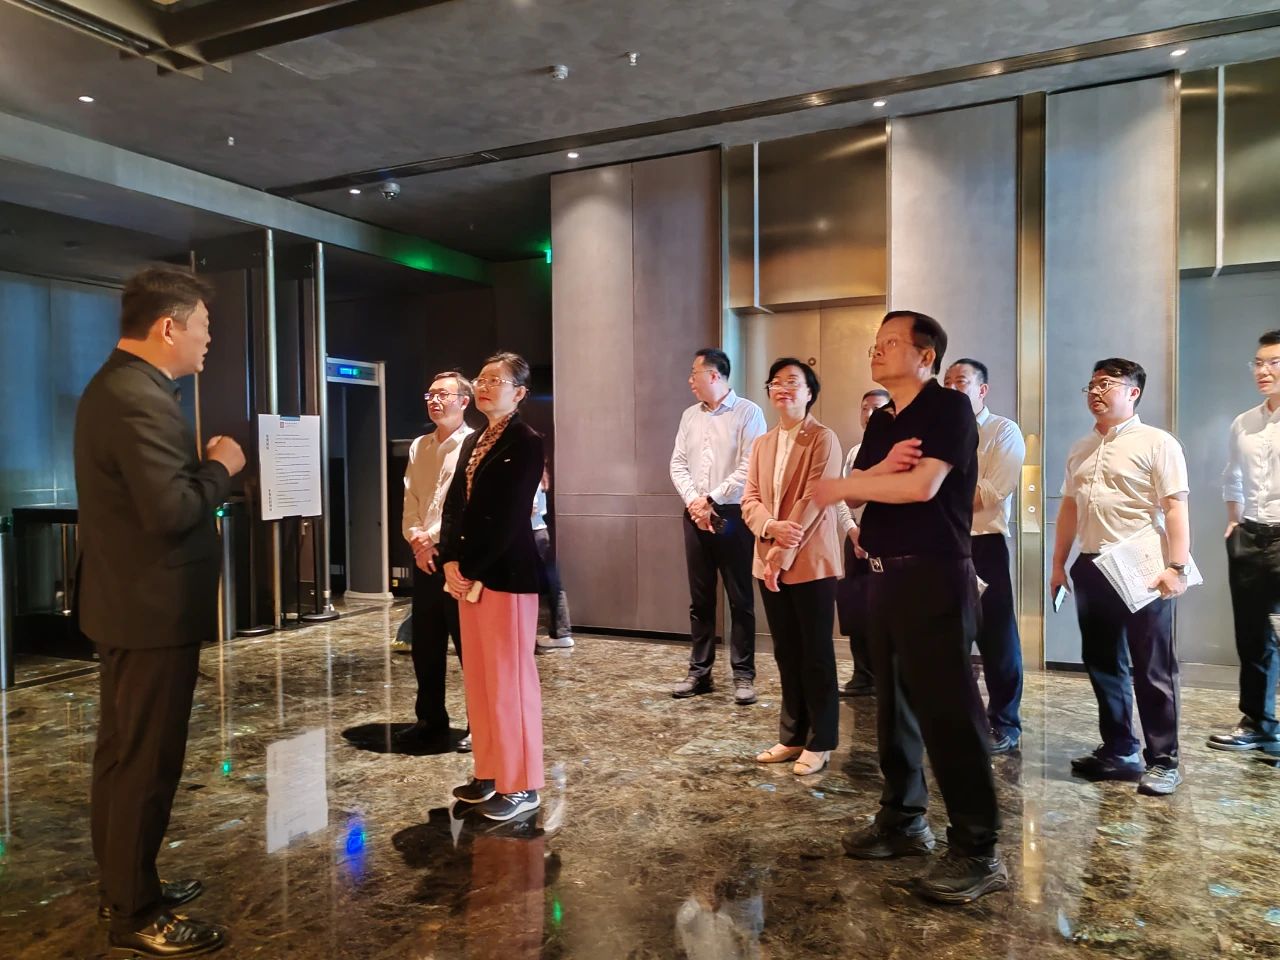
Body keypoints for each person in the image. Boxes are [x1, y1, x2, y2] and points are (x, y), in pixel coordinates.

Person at [75, 266, 245, 957]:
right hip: (150, 612)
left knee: (123, 756)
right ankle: (135, 913)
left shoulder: (120, 387)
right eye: (204, 327)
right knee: (145, 764)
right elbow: (170, 509)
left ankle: (125, 883)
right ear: (169, 326)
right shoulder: (136, 397)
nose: (208, 340)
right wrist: (221, 466)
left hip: (130, 607)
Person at [814, 310, 1006, 906]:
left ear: (926, 356)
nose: (877, 350)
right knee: (892, 708)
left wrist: (844, 486)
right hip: (883, 576)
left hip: (934, 576)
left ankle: (978, 849)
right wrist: (872, 477)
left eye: (891, 342)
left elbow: (918, 486)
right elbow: (871, 486)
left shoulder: (949, 407)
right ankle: (903, 820)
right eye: (876, 343)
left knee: (950, 714)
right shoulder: (883, 419)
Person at [1050, 358, 1191, 796]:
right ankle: (1119, 749)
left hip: (1142, 568)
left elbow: (1175, 506)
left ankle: (1163, 760)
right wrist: (1058, 564)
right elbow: (1069, 507)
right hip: (1092, 566)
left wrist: (1177, 566)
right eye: (1092, 384)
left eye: (1107, 384)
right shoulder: (1080, 447)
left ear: (1133, 392)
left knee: (1152, 667)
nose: (1096, 391)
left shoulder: (1158, 442)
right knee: (1103, 664)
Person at [440, 352, 547, 821]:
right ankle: (488, 772)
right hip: (471, 575)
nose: (484, 387)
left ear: (519, 393)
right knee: (481, 681)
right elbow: (454, 507)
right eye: (481, 379)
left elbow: (509, 517)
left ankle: (521, 784)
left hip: (506, 576)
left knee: (510, 683)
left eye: (495, 381)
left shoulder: (526, 442)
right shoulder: (474, 439)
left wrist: (470, 567)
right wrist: (450, 560)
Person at [743, 358, 843, 777]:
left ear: (809, 392)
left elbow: (816, 497)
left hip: (809, 560)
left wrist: (782, 551)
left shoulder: (823, 437)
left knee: (815, 652)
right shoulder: (762, 443)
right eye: (776, 382)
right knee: (786, 651)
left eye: (792, 382)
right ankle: (792, 735)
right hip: (767, 559)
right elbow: (749, 497)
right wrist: (770, 527)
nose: (782, 388)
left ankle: (822, 740)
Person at [669, 348, 768, 705]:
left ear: (714, 375)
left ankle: (743, 674)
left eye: (694, 373)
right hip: (695, 514)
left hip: (733, 515)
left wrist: (711, 498)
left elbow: (749, 466)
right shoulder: (689, 415)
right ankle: (700, 672)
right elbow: (678, 463)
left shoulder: (749, 412)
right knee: (700, 598)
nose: (690, 381)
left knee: (740, 598)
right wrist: (695, 502)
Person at [943, 359, 1027, 753]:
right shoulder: (938, 433)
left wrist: (935, 504)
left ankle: (1004, 722)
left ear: (982, 389)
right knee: (947, 636)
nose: (951, 388)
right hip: (942, 545)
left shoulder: (1002, 431)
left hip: (983, 545)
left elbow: (990, 493)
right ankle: (958, 719)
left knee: (996, 638)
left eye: (960, 381)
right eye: (946, 382)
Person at [397, 371, 476, 753]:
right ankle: (430, 718)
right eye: (430, 394)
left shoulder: (474, 444)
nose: (435, 400)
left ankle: (480, 723)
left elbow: (465, 505)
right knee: (425, 644)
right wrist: (417, 539)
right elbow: (411, 497)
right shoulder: (420, 446)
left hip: (457, 557)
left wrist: (432, 540)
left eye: (443, 394)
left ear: (464, 401)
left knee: (469, 647)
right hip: (424, 556)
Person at [1210, 330, 1280, 753]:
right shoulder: (1244, 422)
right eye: (1258, 362)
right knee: (1253, 636)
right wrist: (1234, 520)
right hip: (1251, 536)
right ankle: (1258, 722)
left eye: (1274, 362)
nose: (1262, 370)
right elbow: (1232, 475)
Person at [835, 389, 891, 697]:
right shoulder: (855, 452)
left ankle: (887, 675)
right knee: (855, 606)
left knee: (884, 608)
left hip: (885, 542)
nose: (869, 415)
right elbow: (845, 497)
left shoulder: (896, 450)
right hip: (856, 538)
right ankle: (862, 674)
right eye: (865, 408)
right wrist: (852, 530)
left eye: (877, 408)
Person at [532, 468, 575, 650]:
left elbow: (530, 508)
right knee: (552, 584)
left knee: (538, 586)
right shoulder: (538, 472)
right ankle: (561, 633)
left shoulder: (529, 471)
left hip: (532, 533)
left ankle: (560, 633)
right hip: (539, 532)